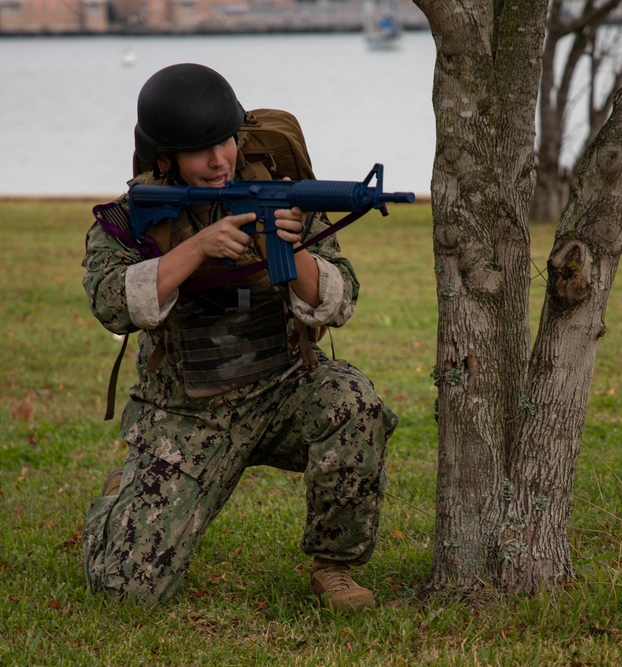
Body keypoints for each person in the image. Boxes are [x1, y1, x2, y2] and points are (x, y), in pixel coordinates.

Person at [80, 63, 397, 611]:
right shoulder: (138, 216)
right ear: (166, 158)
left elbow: (340, 297)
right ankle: (121, 498)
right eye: (200, 149)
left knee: (354, 402)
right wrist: (198, 249)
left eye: (225, 142)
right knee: (126, 593)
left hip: (282, 389)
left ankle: (334, 567)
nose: (218, 159)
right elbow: (110, 301)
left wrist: (289, 248)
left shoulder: (282, 195)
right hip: (188, 412)